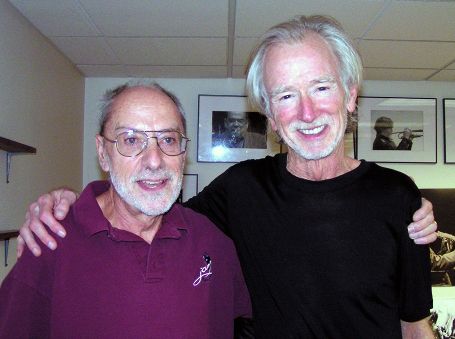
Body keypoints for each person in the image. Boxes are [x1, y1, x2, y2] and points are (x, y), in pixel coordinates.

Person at [17, 15, 438, 338]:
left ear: (350, 95)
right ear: (271, 115)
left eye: (321, 88)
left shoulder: (398, 196)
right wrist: (68, 201)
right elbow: (149, 201)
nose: (307, 113)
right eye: (286, 96)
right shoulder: (241, 190)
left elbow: (415, 325)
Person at [0, 83, 252, 338]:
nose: (154, 160)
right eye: (131, 140)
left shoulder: (212, 241)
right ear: (102, 153)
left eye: (168, 139)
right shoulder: (49, 240)